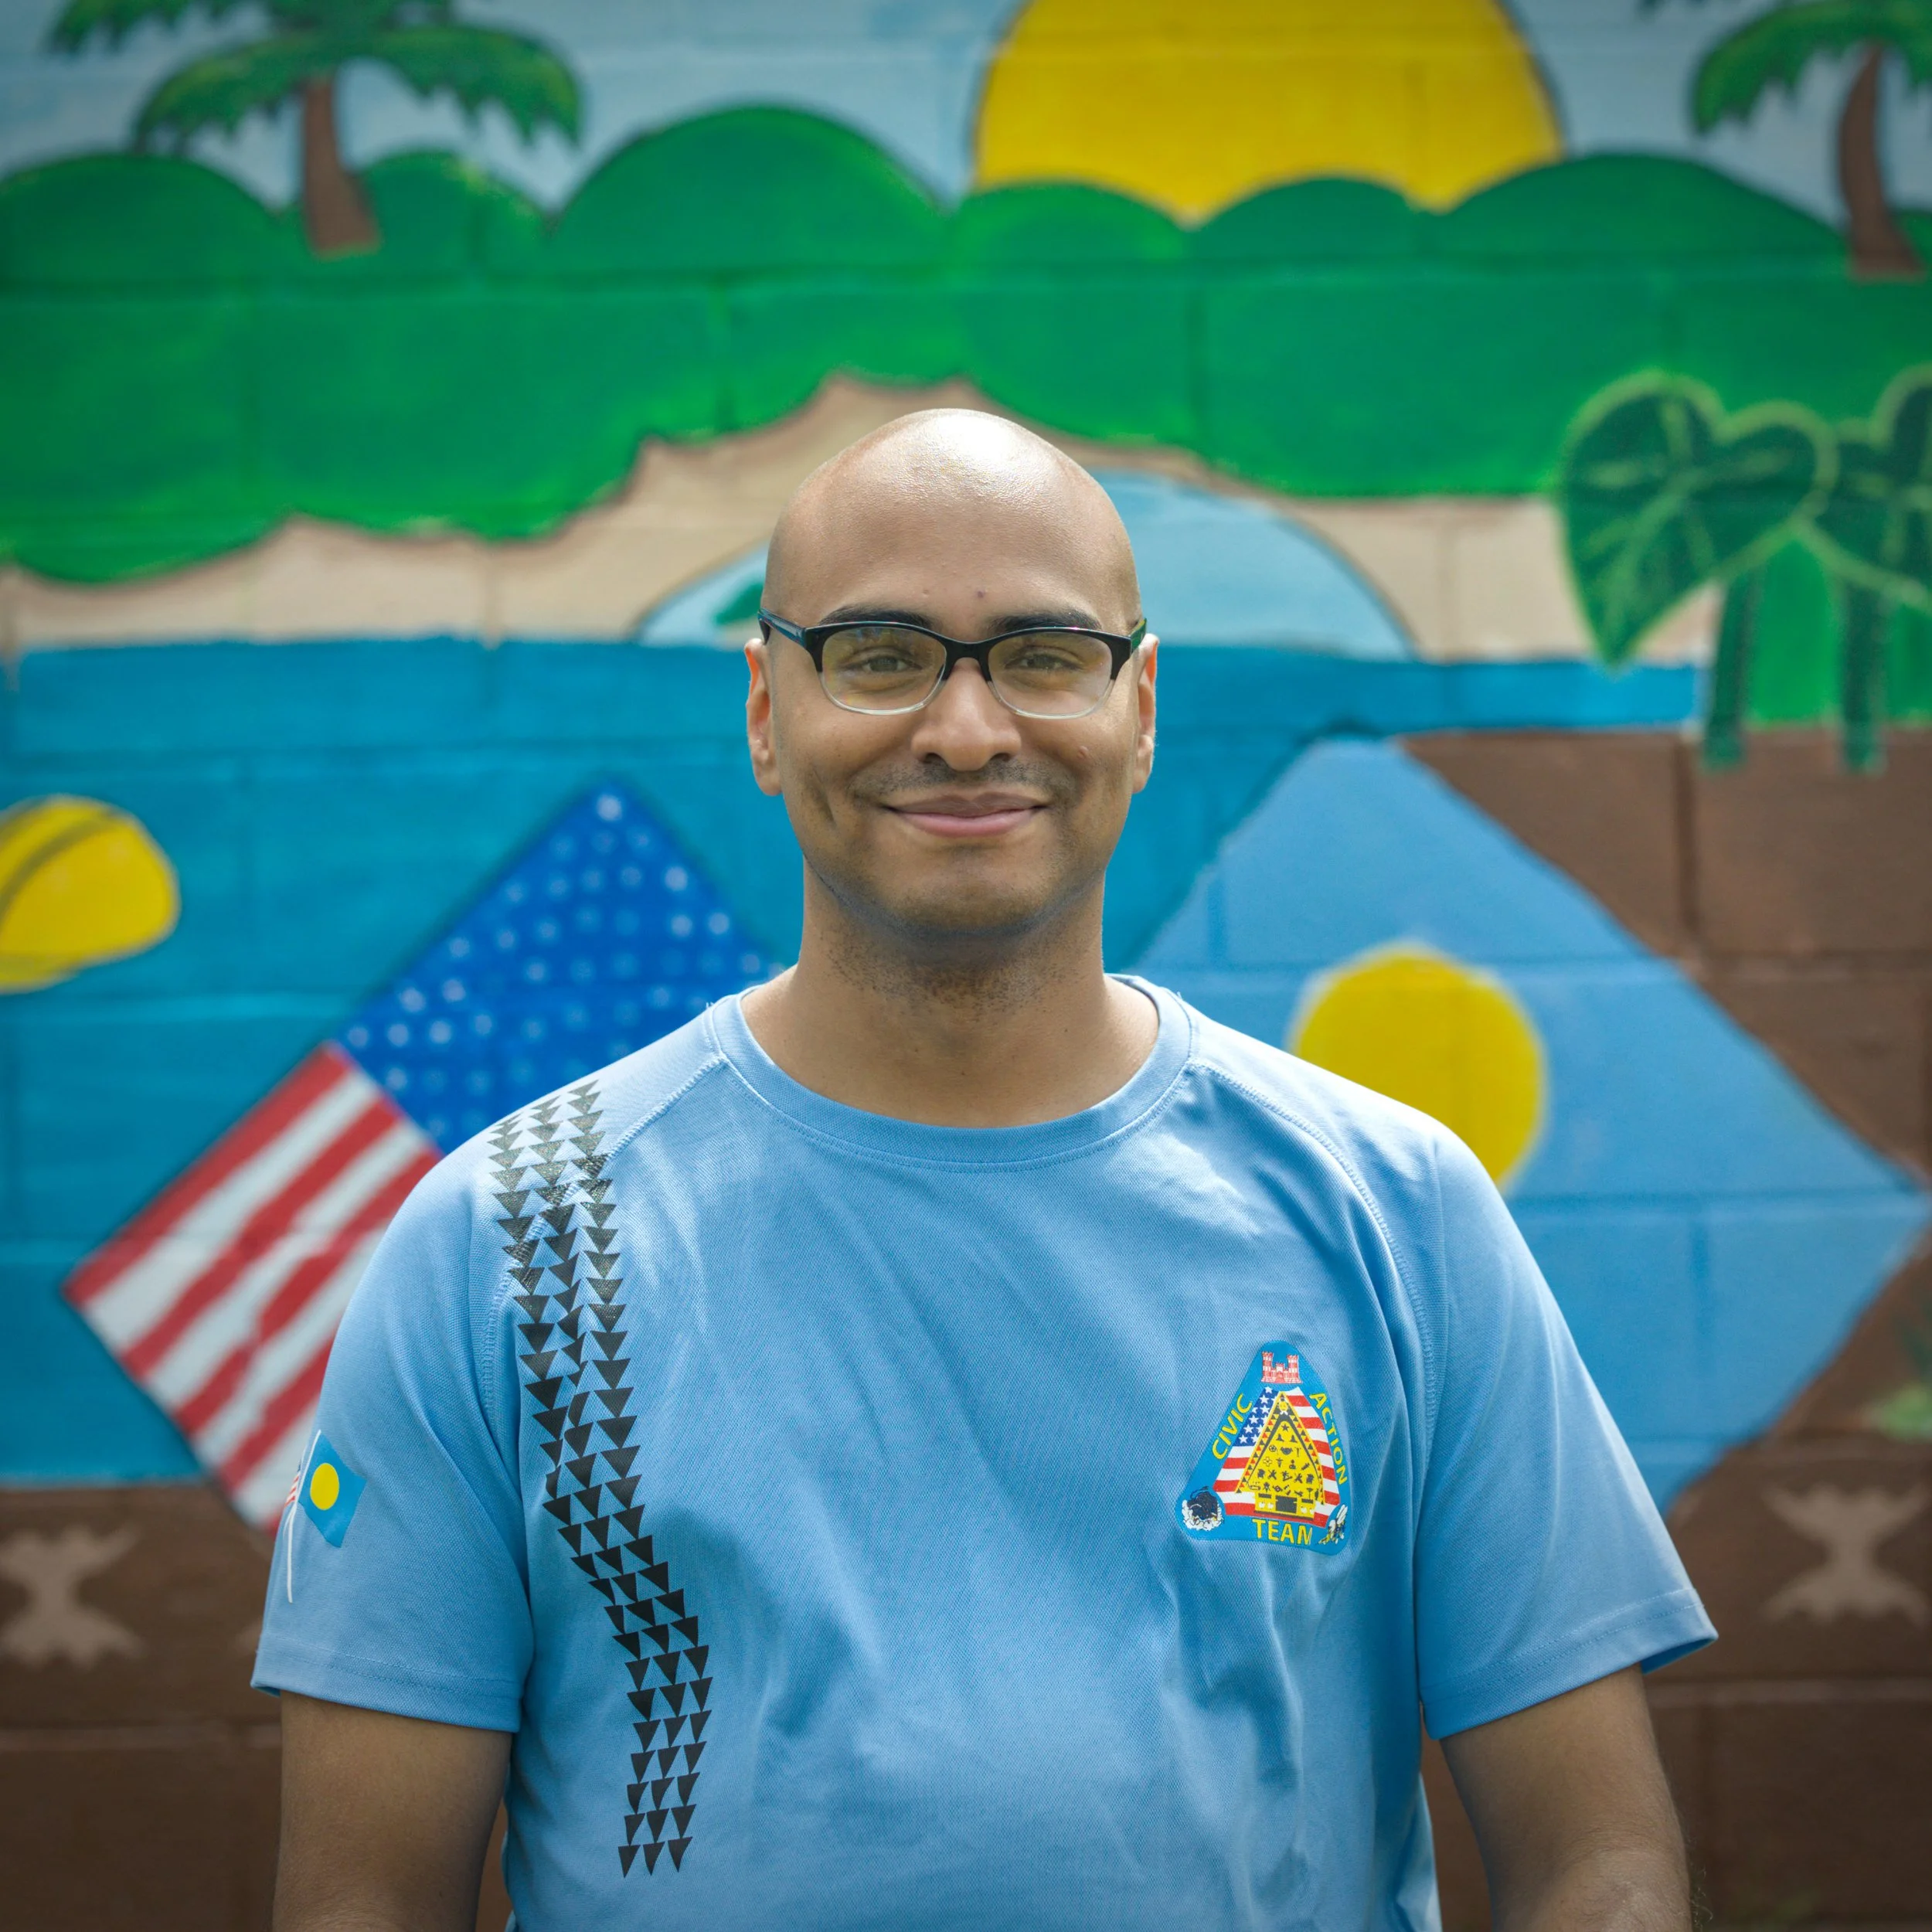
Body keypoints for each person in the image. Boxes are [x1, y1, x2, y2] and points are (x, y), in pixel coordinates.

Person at [258, 410, 1713, 1932]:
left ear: (1138, 707)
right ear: (765, 710)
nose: (963, 726)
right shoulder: (505, 1243)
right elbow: (364, 1899)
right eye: (879, 652)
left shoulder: (1392, 1210)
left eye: (1039, 652)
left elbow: (1596, 1864)